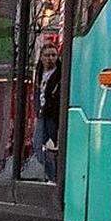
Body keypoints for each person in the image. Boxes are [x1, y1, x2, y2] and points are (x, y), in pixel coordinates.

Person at [30, 40, 61, 182]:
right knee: (38, 146)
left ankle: (54, 177)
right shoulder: (39, 72)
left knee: (52, 146)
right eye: (47, 55)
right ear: (41, 57)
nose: (51, 58)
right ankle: (52, 176)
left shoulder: (61, 73)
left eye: (54, 55)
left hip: (53, 116)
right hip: (42, 115)